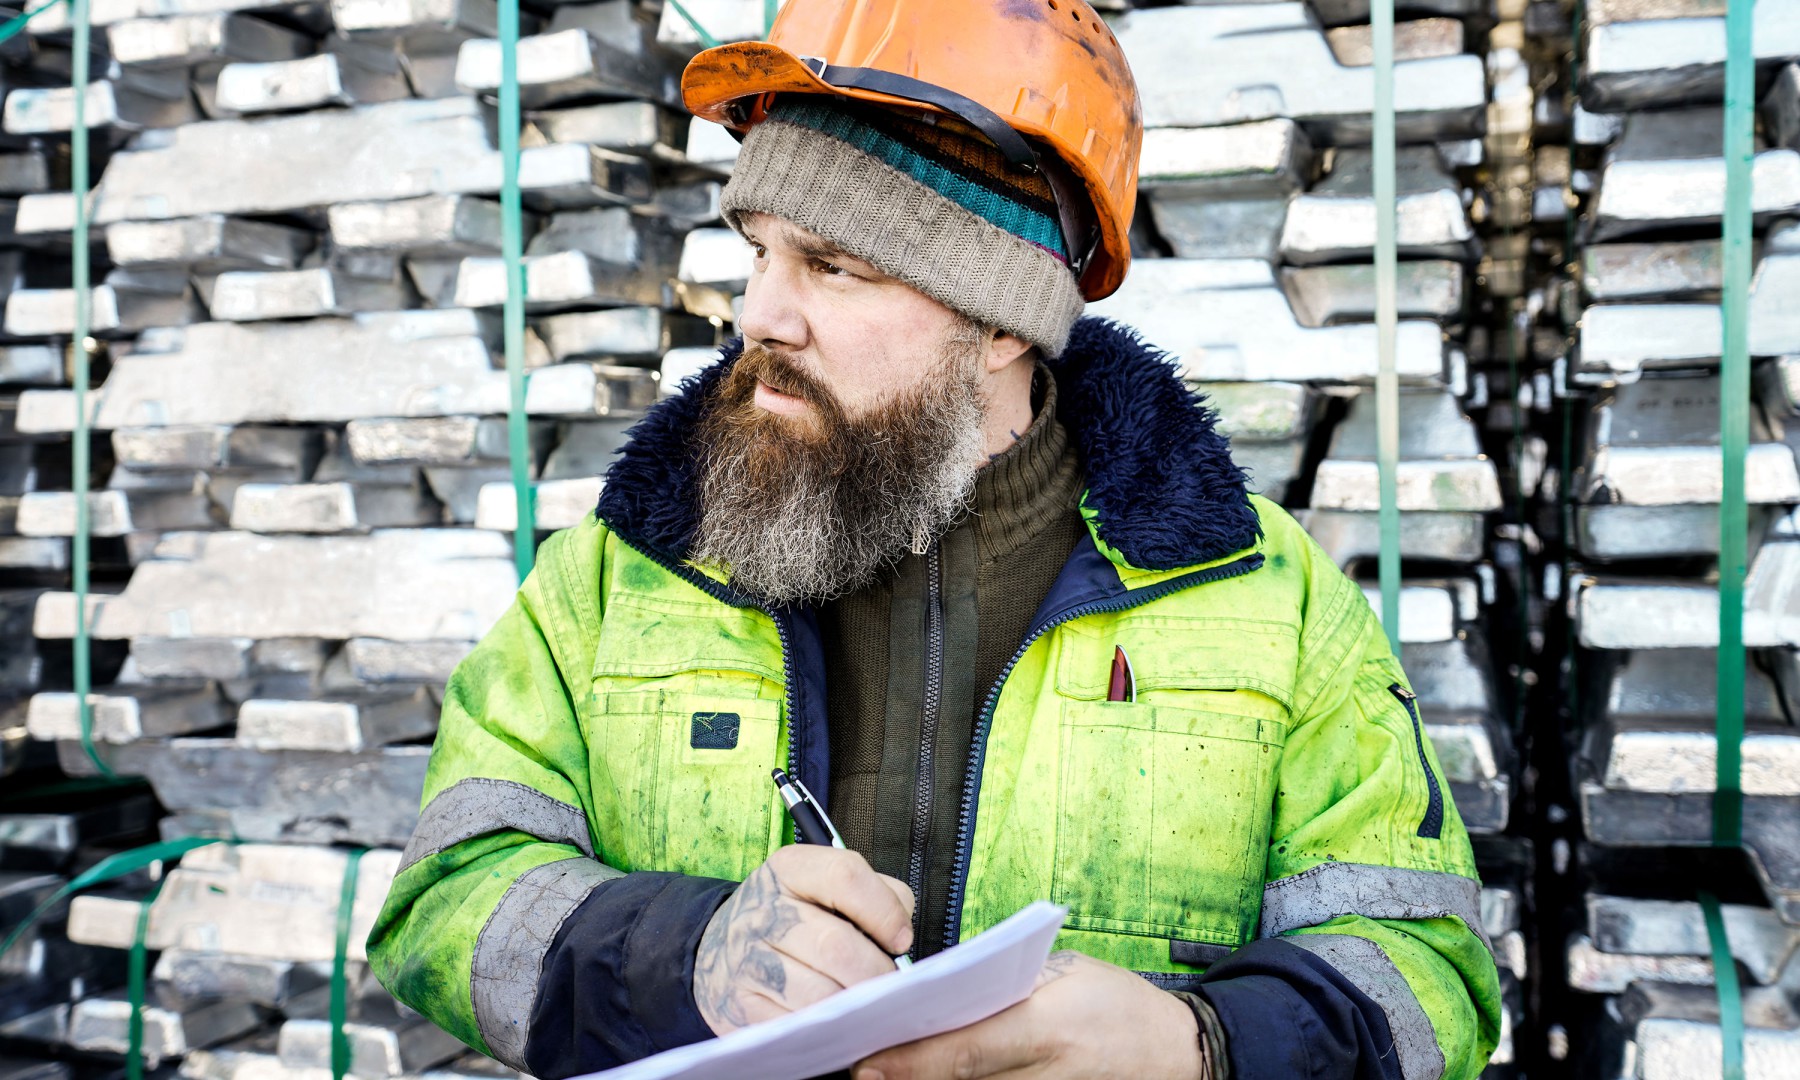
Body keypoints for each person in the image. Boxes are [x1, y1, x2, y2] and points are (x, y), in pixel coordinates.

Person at [368, 1, 1502, 1077]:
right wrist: (685, 955)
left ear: (1005, 319)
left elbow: (1431, 975)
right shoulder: (629, 570)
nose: (760, 312)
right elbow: (443, 901)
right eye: (758, 250)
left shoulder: (1259, 600)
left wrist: (1199, 1046)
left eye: (835, 266)